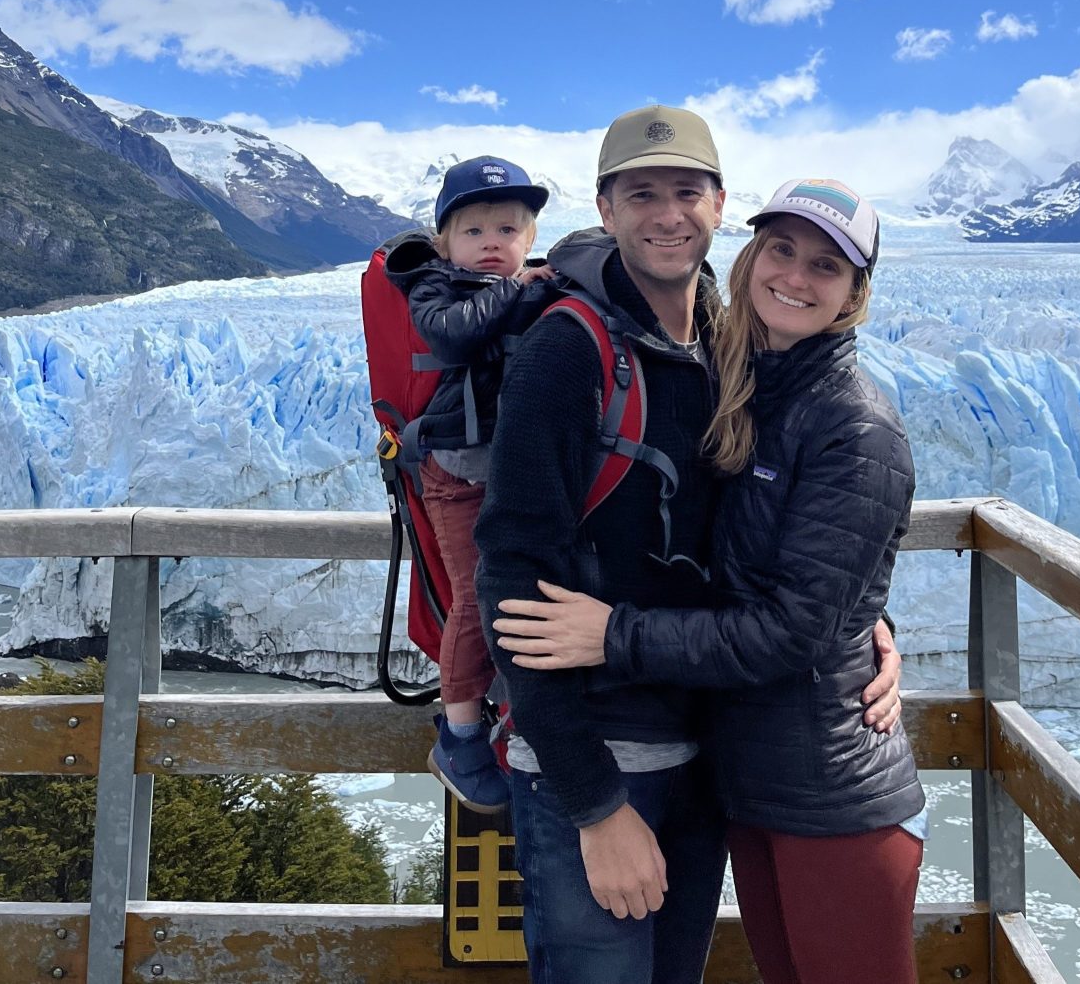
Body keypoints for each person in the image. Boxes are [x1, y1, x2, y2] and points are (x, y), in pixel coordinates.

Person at [473, 108, 903, 984]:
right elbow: (512, 579)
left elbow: (776, 545)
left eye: (686, 192)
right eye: (642, 194)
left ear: (718, 206)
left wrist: (863, 622)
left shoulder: (723, 343)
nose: (667, 215)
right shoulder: (567, 350)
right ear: (606, 206)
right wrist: (595, 804)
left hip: (703, 761)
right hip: (598, 760)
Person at [383, 155, 554, 812]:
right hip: (458, 474)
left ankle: (515, 717)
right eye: (475, 230)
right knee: (477, 601)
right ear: (443, 242)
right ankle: (457, 733)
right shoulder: (434, 288)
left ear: (529, 239)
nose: (492, 242)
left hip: (521, 478)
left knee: (525, 598)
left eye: (508, 230)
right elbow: (451, 338)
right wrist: (521, 290)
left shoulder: (540, 290)